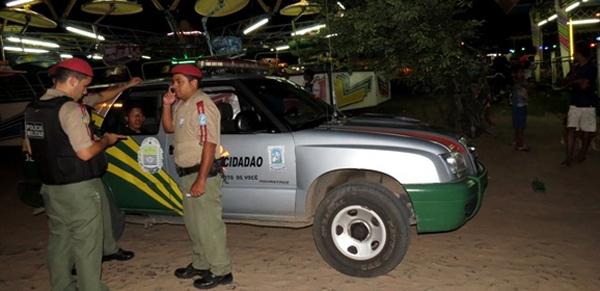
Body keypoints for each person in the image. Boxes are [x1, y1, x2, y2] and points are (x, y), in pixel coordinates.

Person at [23, 57, 125, 291]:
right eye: (84, 85)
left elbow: (29, 147)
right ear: (71, 81)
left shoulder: (33, 108)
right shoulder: (69, 108)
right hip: (78, 189)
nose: (85, 91)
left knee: (60, 241)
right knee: (87, 244)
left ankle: (62, 286)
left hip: (51, 187)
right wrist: (105, 141)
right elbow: (86, 153)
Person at [162, 64, 233, 289]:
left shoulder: (202, 106)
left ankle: (222, 271)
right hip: (187, 175)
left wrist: (201, 180)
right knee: (194, 224)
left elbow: (210, 145)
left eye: (179, 82)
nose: (174, 86)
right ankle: (201, 264)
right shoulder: (182, 105)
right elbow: (169, 128)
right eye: (173, 82)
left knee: (209, 225)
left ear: (194, 83)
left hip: (201, 174)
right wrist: (166, 105)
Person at [562, 44, 598, 166]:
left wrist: (573, 81)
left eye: (575, 52)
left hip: (588, 103)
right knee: (570, 129)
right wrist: (577, 81)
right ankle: (569, 157)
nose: (573, 55)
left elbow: (584, 84)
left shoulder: (591, 68)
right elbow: (566, 82)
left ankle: (582, 153)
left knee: (586, 131)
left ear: (580, 54)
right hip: (575, 102)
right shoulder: (576, 67)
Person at [511, 63, 529, 151]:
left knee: (518, 126)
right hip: (519, 106)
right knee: (520, 127)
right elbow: (524, 95)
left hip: (518, 105)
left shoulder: (517, 83)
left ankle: (518, 142)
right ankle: (520, 144)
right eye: (520, 72)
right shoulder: (520, 83)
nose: (522, 74)